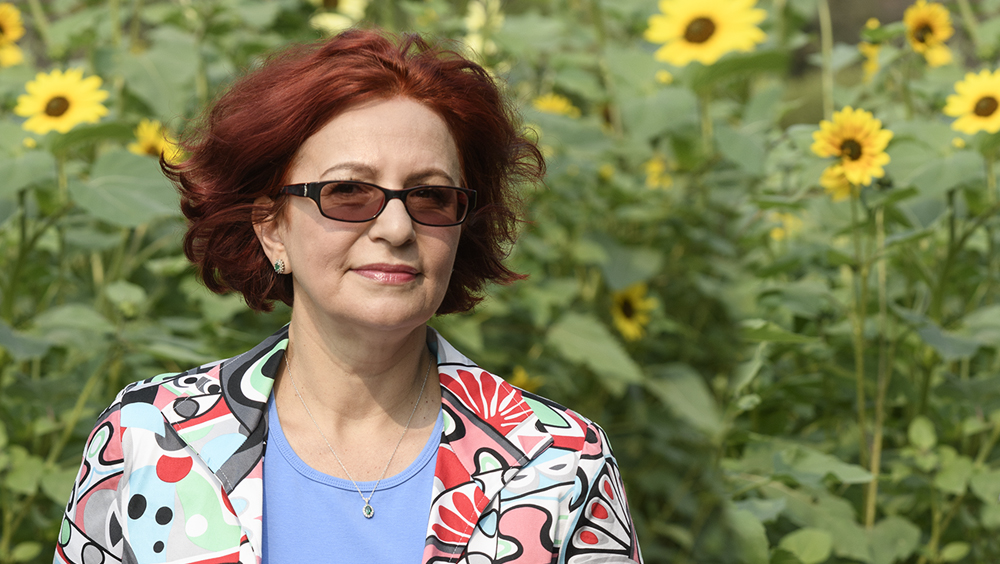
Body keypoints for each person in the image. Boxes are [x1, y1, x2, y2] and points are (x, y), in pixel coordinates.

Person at [54, 28, 642, 564]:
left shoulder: (561, 464)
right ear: (271, 226)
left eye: (431, 196)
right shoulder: (149, 438)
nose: (396, 228)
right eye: (348, 192)